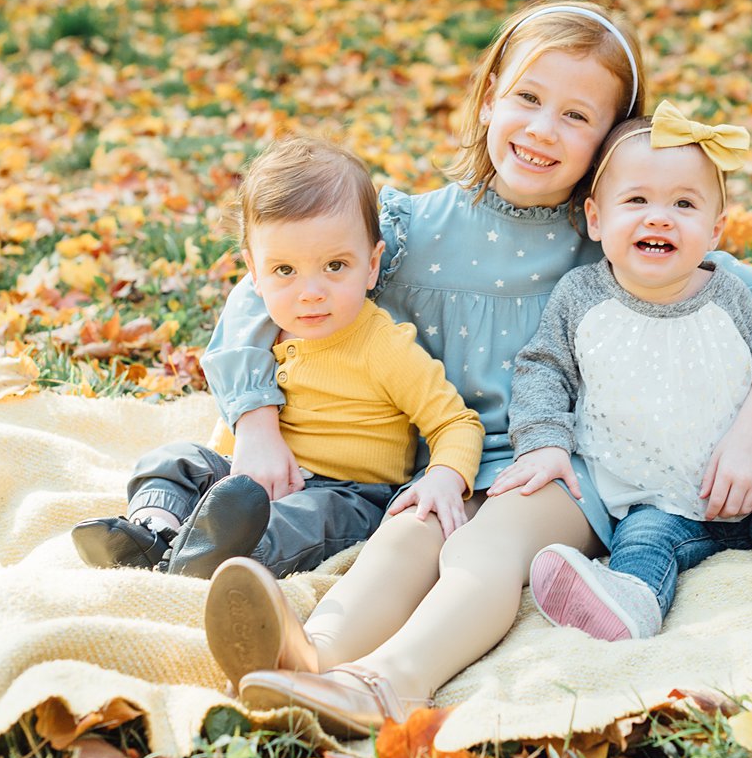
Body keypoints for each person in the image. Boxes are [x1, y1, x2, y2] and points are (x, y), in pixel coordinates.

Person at [198, 0, 752, 737]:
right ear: (492, 92)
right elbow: (264, 286)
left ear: (607, 142)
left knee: (483, 544)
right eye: (528, 98)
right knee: (408, 531)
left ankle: (390, 681)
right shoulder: (410, 230)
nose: (541, 129)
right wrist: (255, 420)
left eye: (576, 115)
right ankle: (313, 655)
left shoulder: (613, 236)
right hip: (443, 460)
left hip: (563, 463)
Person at [511, 102, 752, 644]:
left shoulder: (730, 296)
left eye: (683, 204)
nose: (659, 217)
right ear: (596, 218)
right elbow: (544, 370)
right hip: (653, 496)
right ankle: (629, 602)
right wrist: (542, 442)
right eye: (636, 200)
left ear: (714, 230)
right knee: (640, 545)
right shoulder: (580, 298)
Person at [71, 137, 482, 579]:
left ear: (371, 264)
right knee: (174, 461)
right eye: (284, 270)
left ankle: (214, 556)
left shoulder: (384, 346)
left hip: (346, 495)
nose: (310, 292)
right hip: (244, 479)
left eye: (336, 266)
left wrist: (444, 476)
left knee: (299, 522)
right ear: (254, 271)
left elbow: (456, 423)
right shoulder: (260, 329)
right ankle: (153, 533)